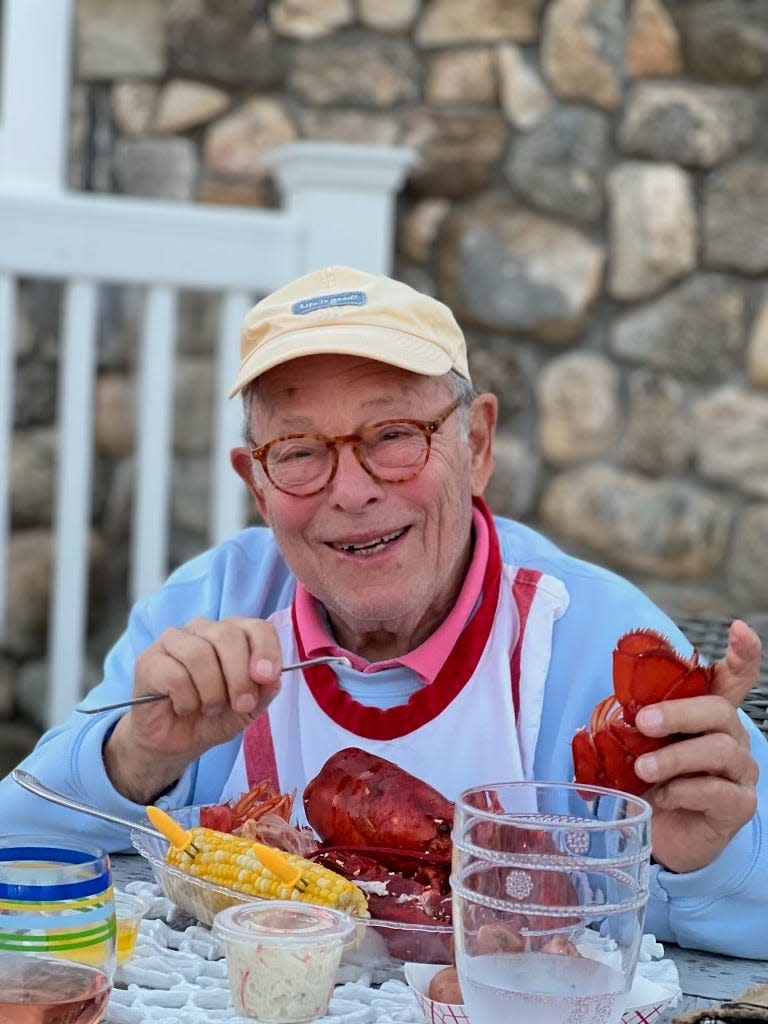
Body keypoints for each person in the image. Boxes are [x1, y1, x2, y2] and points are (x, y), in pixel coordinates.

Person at [1, 266, 766, 958]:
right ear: (257, 484)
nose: (353, 489)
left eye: (395, 435)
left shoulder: (601, 644)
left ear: (479, 444)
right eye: (299, 451)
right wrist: (138, 757)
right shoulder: (210, 604)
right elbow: (17, 835)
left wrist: (706, 863)